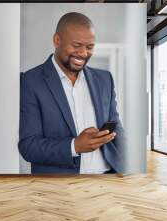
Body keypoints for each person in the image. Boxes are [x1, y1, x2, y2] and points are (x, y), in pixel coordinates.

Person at [19, 12, 124, 174]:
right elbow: (29, 146)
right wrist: (74, 146)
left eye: (89, 47)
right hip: (58, 188)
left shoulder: (105, 79)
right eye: (76, 45)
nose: (83, 53)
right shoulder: (31, 81)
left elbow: (117, 130)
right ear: (57, 40)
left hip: (108, 180)